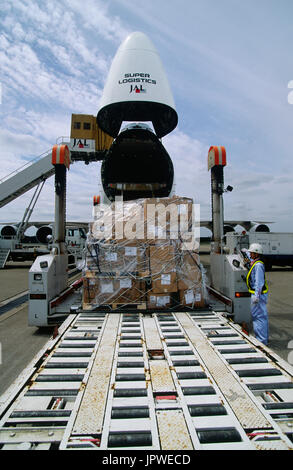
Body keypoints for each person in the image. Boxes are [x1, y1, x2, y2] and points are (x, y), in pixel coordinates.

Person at [244, 243, 269, 345]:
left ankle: (261, 340)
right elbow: (250, 263)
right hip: (257, 294)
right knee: (260, 316)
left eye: (251, 253)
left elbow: (259, 282)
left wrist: (256, 296)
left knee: (259, 317)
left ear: (256, 254)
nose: (250, 254)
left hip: (258, 295)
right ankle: (262, 338)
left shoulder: (258, 265)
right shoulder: (255, 263)